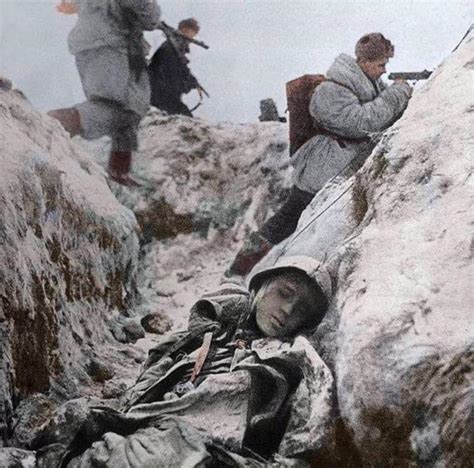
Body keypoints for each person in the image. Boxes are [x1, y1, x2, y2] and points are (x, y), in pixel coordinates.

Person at [50, 256, 333, 467]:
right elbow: (154, 371)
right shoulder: (209, 330)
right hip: (159, 426)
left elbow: (299, 442)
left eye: (302, 309)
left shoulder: (291, 361)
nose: (287, 309)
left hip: (208, 451)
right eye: (284, 293)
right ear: (260, 287)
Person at [225, 33, 413, 278]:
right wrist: (397, 94)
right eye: (380, 65)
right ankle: (239, 269)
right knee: (285, 223)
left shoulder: (367, 85)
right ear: (365, 62)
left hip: (338, 166)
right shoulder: (331, 90)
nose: (383, 71)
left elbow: (381, 112)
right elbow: (362, 122)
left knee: (301, 225)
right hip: (320, 171)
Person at [48, 0, 162, 187]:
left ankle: (119, 171)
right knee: (114, 107)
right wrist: (154, 13)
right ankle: (49, 123)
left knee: (130, 110)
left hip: (100, 43)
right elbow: (148, 15)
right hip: (110, 45)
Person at [148, 18, 204, 117]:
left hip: (162, 96)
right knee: (186, 121)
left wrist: (193, 81)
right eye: (191, 32)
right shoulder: (170, 49)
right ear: (184, 30)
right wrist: (187, 84)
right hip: (161, 96)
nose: (191, 38)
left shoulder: (175, 50)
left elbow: (181, 69)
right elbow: (173, 76)